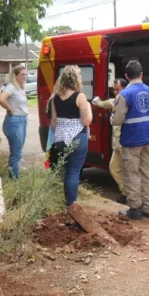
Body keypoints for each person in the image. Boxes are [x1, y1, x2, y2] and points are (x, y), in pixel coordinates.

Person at [111, 60, 149, 220]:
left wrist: (112, 117)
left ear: (126, 76)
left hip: (131, 140)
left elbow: (117, 120)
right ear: (141, 74)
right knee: (146, 173)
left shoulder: (124, 95)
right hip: (147, 138)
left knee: (132, 174)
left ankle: (135, 208)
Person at [51, 65, 92, 207]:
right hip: (77, 137)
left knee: (67, 171)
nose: (81, 78)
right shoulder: (80, 97)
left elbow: (53, 121)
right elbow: (86, 121)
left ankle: (66, 202)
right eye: (80, 76)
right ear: (76, 79)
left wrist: (63, 133)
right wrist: (89, 109)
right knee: (74, 172)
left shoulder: (55, 98)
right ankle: (72, 205)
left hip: (61, 138)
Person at [92, 78, 128, 204]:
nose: (115, 92)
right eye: (114, 90)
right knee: (114, 168)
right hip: (117, 145)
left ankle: (131, 196)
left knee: (129, 171)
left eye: (117, 89)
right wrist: (96, 101)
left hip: (126, 143)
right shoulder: (115, 101)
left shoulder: (128, 101)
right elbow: (102, 103)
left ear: (125, 88)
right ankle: (125, 193)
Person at [0, 65, 29, 179]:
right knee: (16, 154)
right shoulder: (11, 87)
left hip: (22, 120)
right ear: (15, 76)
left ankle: (14, 177)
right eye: (22, 75)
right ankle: (14, 181)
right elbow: (1, 99)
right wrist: (9, 109)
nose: (25, 77)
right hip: (14, 122)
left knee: (18, 152)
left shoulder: (20, 88)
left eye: (26, 74)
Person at [44, 73, 65, 169]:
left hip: (57, 133)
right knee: (57, 162)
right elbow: (53, 121)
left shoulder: (55, 98)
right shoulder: (54, 99)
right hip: (56, 134)